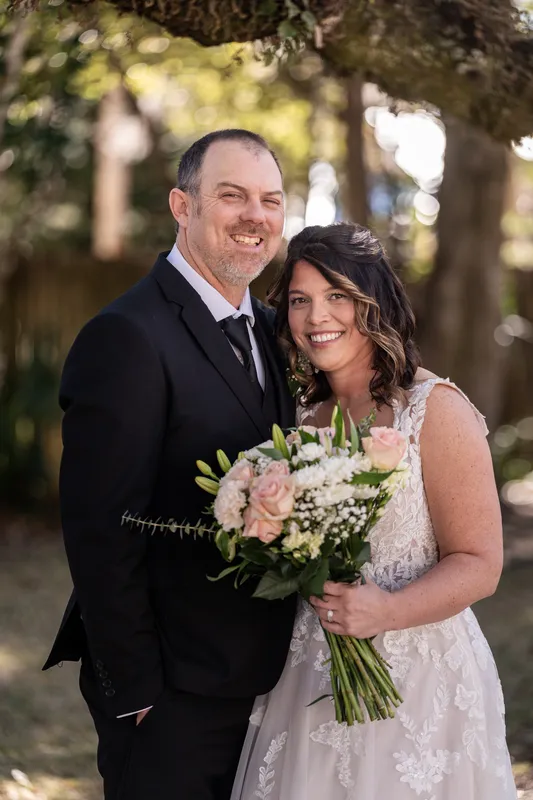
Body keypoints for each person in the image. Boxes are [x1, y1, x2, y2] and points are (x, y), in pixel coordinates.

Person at [42, 129, 297, 800]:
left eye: (271, 200)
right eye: (232, 196)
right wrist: (136, 692)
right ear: (182, 206)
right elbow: (100, 530)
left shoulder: (277, 332)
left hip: (272, 685)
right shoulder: (126, 336)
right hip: (170, 697)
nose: (255, 216)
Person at [231, 222, 516, 800]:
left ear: (373, 302)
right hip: (311, 674)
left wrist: (388, 610)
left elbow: (480, 563)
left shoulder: (434, 410)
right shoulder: (298, 421)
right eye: (300, 300)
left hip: (422, 683)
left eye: (337, 295)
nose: (317, 317)